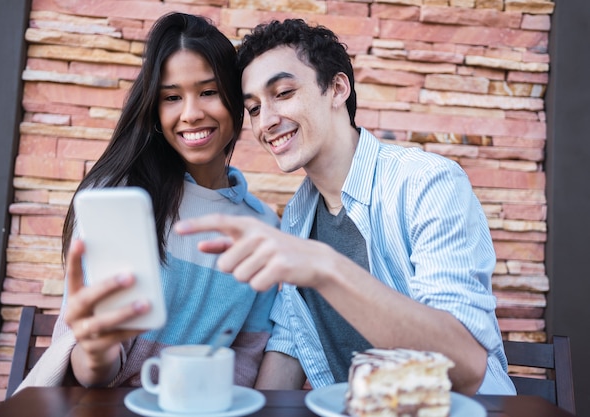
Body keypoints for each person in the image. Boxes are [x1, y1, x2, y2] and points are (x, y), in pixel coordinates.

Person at [174, 18, 517, 395]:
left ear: (337, 88)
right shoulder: (299, 216)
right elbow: (290, 341)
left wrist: (326, 267)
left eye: (284, 93)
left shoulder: (427, 183)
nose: (266, 121)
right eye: (253, 109)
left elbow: (464, 368)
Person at [17, 12, 279, 391]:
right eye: (172, 97)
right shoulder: (118, 201)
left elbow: (244, 361)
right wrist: (96, 348)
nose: (190, 114)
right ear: (155, 110)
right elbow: (94, 370)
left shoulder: (264, 227)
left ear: (236, 101)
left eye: (208, 91)